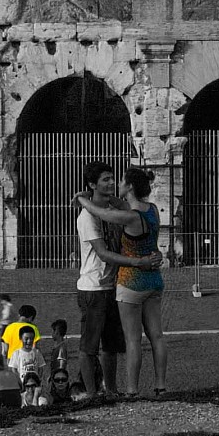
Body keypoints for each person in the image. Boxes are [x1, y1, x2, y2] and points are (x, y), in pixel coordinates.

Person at [74, 161, 154, 397]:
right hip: (93, 288)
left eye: (112, 178)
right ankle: (90, 394)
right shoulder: (87, 218)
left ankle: (111, 391)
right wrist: (137, 263)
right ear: (92, 184)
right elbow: (102, 252)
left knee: (110, 346)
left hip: (113, 285)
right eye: (105, 180)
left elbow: (134, 209)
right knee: (89, 346)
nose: (111, 183)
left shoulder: (112, 209)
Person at [115, 165, 169, 396]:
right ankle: (161, 385)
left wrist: (84, 200)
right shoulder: (153, 210)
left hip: (131, 282)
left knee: (133, 340)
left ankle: (132, 389)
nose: (117, 184)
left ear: (129, 186)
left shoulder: (129, 216)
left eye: (120, 181)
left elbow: (103, 214)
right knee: (157, 335)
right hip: (154, 280)